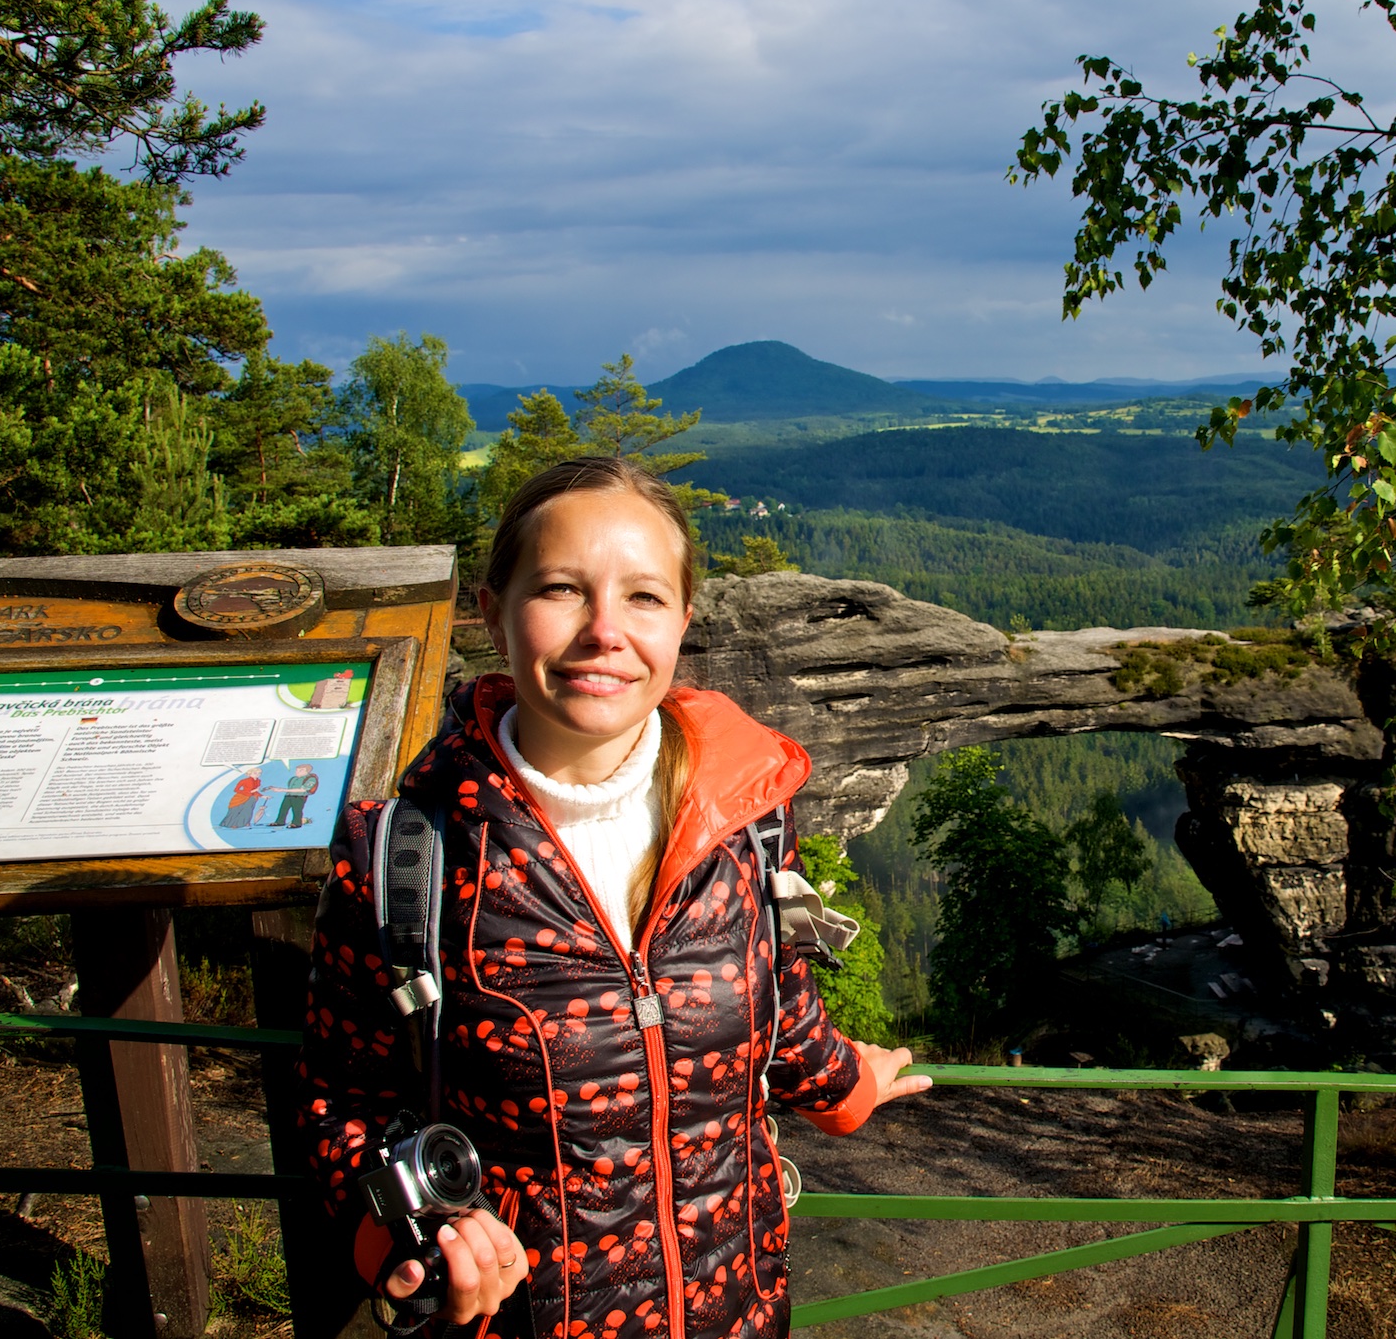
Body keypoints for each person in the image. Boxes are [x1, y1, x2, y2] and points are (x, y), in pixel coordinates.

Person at [297, 457, 930, 1339]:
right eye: (561, 588)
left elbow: (774, 998)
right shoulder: (407, 854)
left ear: (681, 621)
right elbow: (340, 1093)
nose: (604, 630)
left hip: (738, 1311)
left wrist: (842, 1079)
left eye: (643, 597)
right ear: (493, 610)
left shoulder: (744, 813)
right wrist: (413, 1232)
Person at [270, 763, 318, 828]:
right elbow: (290, 788)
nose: (297, 772)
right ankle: (279, 822)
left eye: (301, 770)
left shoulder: (311, 779)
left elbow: (303, 790)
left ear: (307, 771)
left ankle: (296, 823)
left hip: (298, 797)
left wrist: (282, 790)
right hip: (288, 796)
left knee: (297, 810)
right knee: (283, 809)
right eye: (297, 770)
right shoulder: (293, 778)